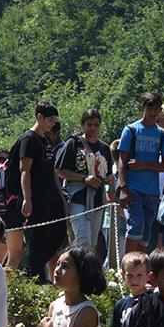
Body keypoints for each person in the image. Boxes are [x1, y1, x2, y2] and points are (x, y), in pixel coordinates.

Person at [10, 101, 67, 280]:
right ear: (39, 117)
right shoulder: (29, 139)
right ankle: (32, 274)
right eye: (50, 120)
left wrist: (61, 198)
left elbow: (52, 171)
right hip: (36, 197)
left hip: (51, 197)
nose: (53, 124)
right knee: (38, 239)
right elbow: (24, 170)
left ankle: (34, 268)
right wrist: (27, 198)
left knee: (59, 234)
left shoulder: (46, 139)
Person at [114, 93, 164, 253]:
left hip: (152, 192)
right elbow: (122, 162)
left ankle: (138, 269)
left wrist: (143, 164)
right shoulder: (131, 130)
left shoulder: (163, 134)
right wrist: (124, 188)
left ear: (160, 110)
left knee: (146, 234)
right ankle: (127, 268)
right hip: (133, 188)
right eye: (149, 108)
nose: (153, 112)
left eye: (156, 109)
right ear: (143, 108)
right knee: (135, 228)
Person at [56, 109, 112, 259]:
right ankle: (80, 275)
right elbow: (60, 170)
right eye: (89, 124)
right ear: (83, 125)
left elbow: (108, 175)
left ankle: (78, 270)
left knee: (92, 243)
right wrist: (83, 178)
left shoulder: (104, 148)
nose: (93, 128)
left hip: (97, 200)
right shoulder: (73, 143)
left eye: (96, 124)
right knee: (83, 241)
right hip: (78, 197)